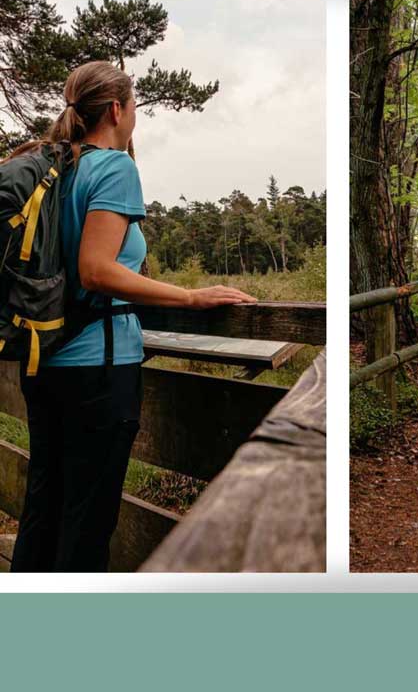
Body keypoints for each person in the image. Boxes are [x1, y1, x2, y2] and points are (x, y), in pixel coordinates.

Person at [8, 60, 256, 572]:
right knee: (87, 522)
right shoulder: (113, 167)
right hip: (98, 368)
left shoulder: (56, 163)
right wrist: (190, 297)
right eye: (135, 104)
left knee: (44, 509)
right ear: (118, 109)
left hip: (45, 361)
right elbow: (97, 271)